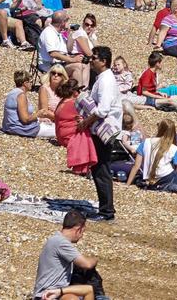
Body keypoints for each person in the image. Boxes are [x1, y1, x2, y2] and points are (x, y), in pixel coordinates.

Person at [82, 46, 121, 223]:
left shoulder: (105, 80)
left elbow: (103, 109)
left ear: (103, 61)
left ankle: (107, 212)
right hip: (101, 129)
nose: (91, 60)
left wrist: (85, 122)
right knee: (99, 169)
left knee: (101, 170)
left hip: (103, 131)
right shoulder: (103, 78)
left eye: (94, 58)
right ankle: (105, 209)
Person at [30, 209, 102, 300]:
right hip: (46, 295)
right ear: (78, 229)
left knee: (85, 291)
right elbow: (87, 264)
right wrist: (95, 259)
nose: (81, 236)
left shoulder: (55, 240)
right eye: (82, 232)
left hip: (56, 292)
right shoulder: (60, 242)